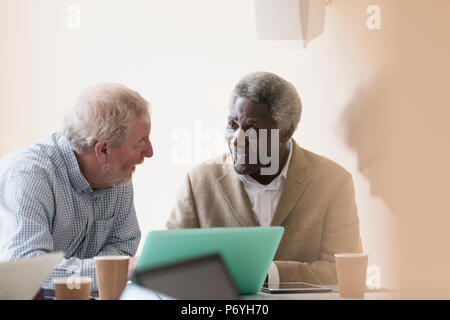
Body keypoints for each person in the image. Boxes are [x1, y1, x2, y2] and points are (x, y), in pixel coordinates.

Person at [167, 72, 361, 285]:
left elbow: (344, 270)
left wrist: (267, 273)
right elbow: (168, 264)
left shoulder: (333, 182)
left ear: (286, 132)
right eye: (233, 125)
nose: (237, 141)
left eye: (253, 129)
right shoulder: (198, 182)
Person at [0, 83, 153, 291]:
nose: (149, 151)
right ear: (103, 150)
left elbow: (124, 244)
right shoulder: (27, 175)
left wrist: (112, 268)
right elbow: (28, 274)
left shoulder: (116, 174)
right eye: (140, 142)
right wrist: (117, 269)